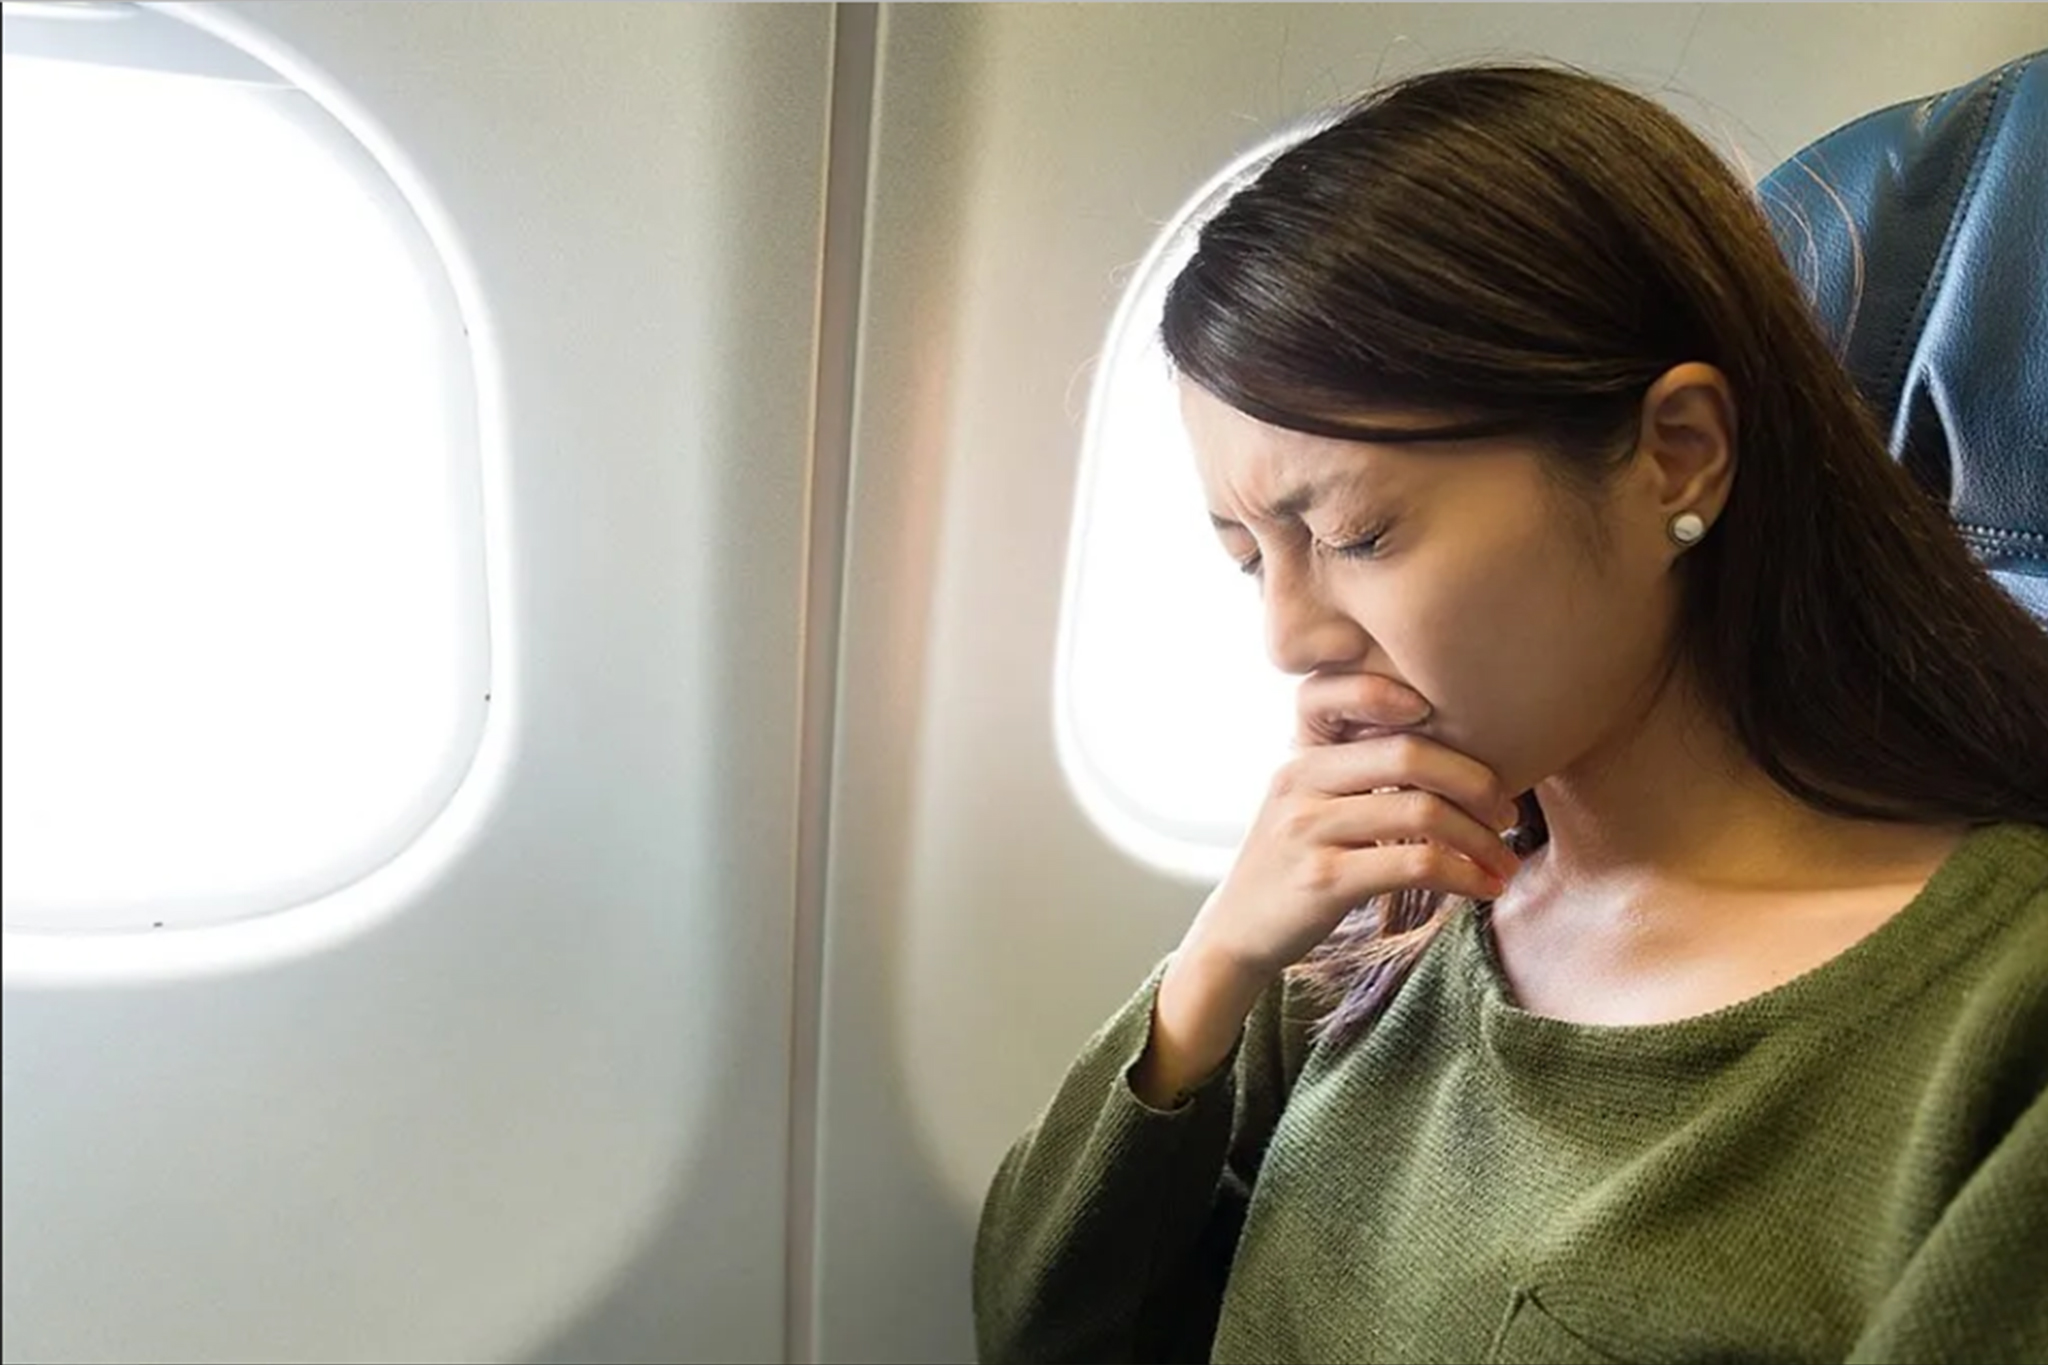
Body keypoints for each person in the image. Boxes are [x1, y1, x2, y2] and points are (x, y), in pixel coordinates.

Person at [973, 63, 2048, 1365]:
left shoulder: (1996, 1030)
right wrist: (1212, 973)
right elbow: (1041, 1330)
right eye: (1252, 556)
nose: (1291, 638)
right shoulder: (1385, 902)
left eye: (1359, 531)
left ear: (1678, 455)